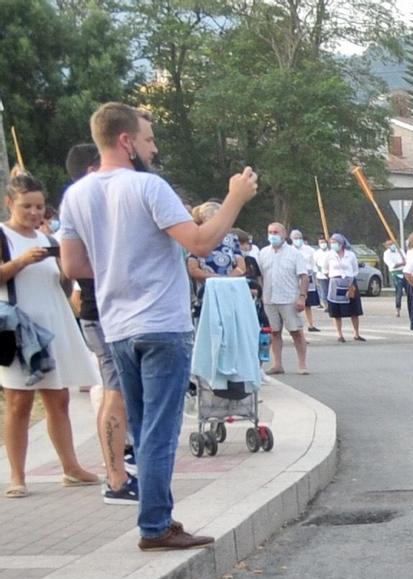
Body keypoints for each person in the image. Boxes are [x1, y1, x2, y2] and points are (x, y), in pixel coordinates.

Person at [59, 102, 256, 550]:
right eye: (148, 139)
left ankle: (154, 520)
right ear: (126, 141)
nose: (154, 147)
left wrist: (118, 264)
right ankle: (155, 524)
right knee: (161, 430)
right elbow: (203, 243)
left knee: (143, 424)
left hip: (116, 324)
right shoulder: (149, 187)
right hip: (162, 323)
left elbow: (72, 263)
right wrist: (236, 198)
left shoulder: (77, 195)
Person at [2, 173, 101, 499]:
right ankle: (17, 475)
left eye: (39, 206)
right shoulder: (3, 236)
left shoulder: (49, 239)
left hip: (53, 320)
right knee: (19, 402)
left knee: (59, 398)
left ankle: (70, 466)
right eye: (26, 206)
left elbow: (64, 279)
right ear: (9, 204)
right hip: (19, 327)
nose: (33, 212)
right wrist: (19, 263)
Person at [61, 141, 133, 503]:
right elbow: (72, 267)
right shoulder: (83, 203)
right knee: (114, 389)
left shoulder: (82, 203)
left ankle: (119, 463)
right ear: (92, 169)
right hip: (100, 311)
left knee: (114, 388)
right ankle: (117, 475)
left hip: (102, 310)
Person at [258, 223, 312, 375]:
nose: (273, 235)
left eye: (276, 232)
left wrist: (302, 297)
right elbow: (260, 276)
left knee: (296, 331)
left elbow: (304, 277)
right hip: (269, 298)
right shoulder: (263, 253)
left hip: (289, 298)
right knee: (274, 332)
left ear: (284, 234)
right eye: (270, 232)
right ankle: (277, 364)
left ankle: (302, 364)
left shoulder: (294, 253)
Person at [323, 234, 365, 343]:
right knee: (336, 311)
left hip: (349, 282)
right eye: (331, 242)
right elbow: (325, 269)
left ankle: (356, 333)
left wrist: (350, 280)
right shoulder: (329, 255)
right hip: (335, 282)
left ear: (341, 243)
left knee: (354, 310)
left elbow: (355, 269)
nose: (333, 245)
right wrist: (333, 277)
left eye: (335, 242)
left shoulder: (350, 255)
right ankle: (340, 334)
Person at [307, 234, 329, 331]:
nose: (322, 244)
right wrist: (318, 271)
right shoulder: (316, 253)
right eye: (320, 242)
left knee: (329, 292)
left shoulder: (330, 252)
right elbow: (314, 264)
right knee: (323, 292)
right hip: (320, 275)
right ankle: (326, 306)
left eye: (324, 242)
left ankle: (331, 305)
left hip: (330, 275)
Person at [383, 235, 406, 314]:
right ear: (386, 246)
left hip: (404, 272)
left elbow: (406, 260)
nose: (391, 245)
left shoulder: (400, 251)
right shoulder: (386, 254)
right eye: (389, 244)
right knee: (399, 291)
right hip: (396, 273)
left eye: (392, 243)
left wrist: (404, 262)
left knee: (409, 291)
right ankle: (398, 308)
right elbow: (392, 265)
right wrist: (402, 263)